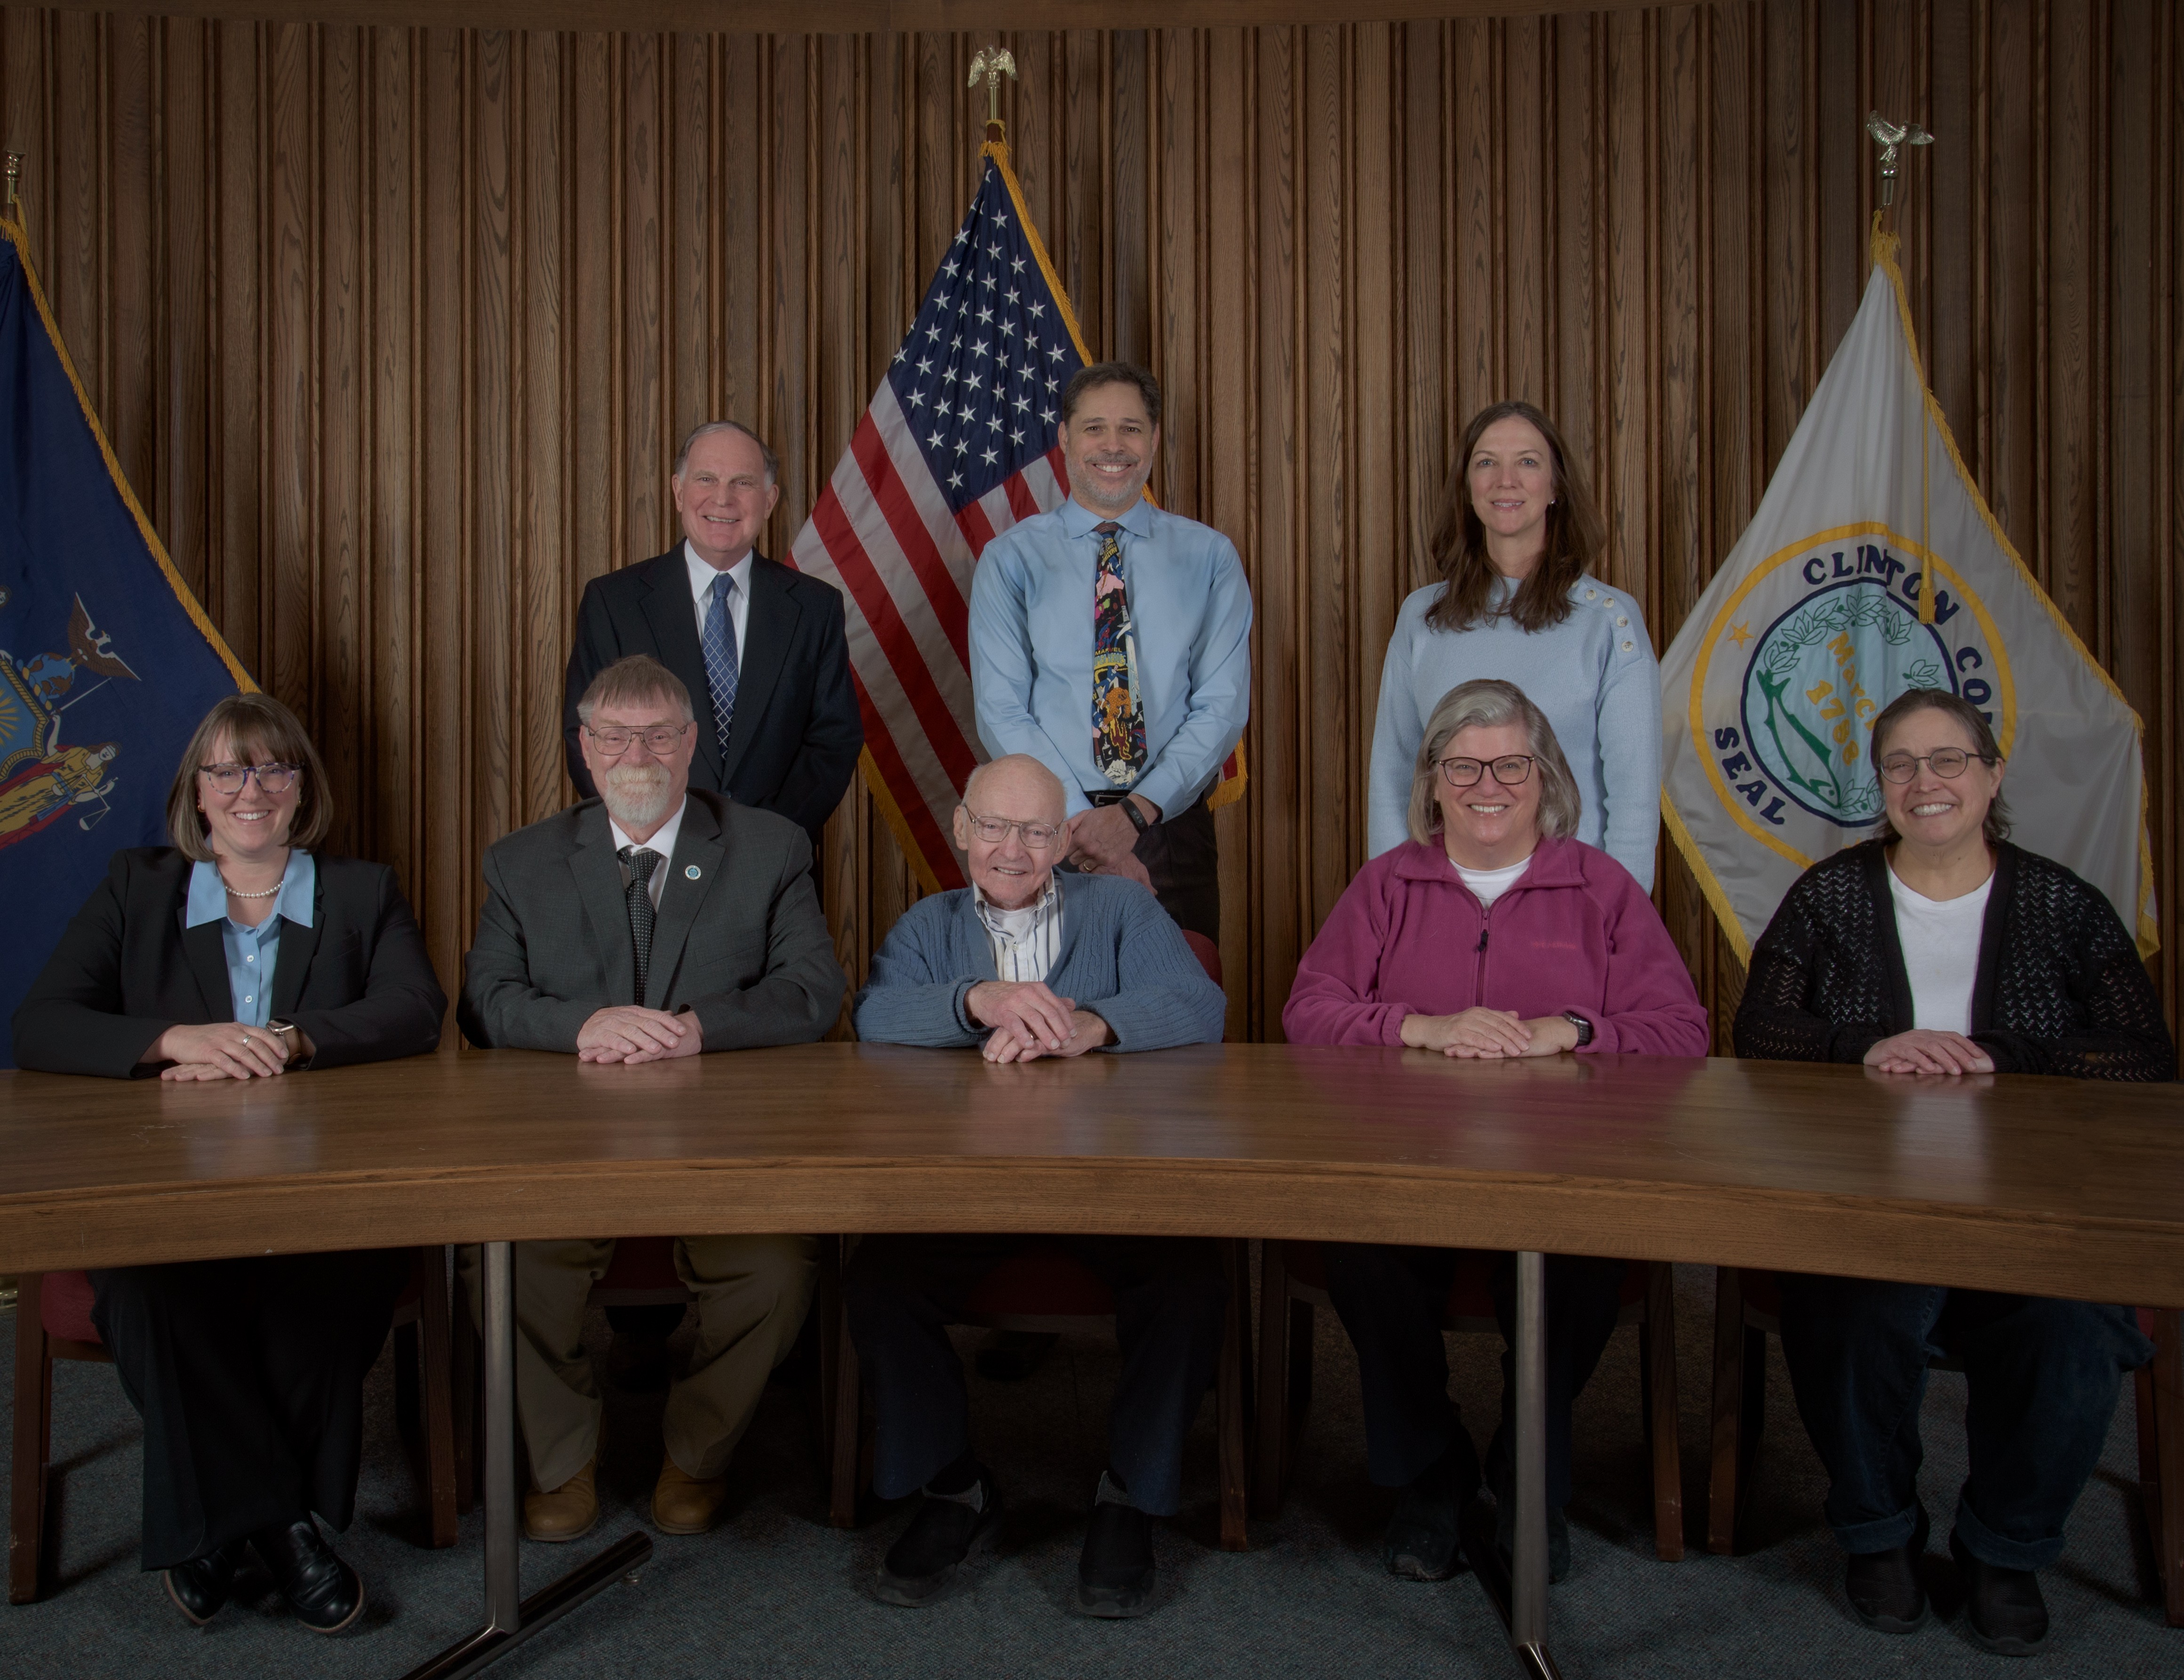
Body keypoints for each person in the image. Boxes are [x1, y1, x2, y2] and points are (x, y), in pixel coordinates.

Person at [1735, 687, 2172, 1655]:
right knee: (1851, 1304)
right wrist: (1867, 1044)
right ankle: (1878, 1532)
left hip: (2031, 1205)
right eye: (1900, 764)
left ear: (1990, 777)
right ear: (1880, 786)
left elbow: (2144, 1054)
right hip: (1870, 1199)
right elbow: (1757, 1029)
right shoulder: (1830, 896)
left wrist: (1996, 1055)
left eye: (1946, 761)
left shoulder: (2062, 904)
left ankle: (2005, 1549)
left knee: (2072, 1319)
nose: (1923, 781)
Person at [11, 692, 446, 1635]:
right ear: (198, 795)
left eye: (274, 768)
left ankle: (214, 1531)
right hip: (169, 1190)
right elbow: (41, 1024)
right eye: (227, 771)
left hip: (321, 1193)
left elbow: (416, 1009)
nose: (252, 789)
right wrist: (171, 1040)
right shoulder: (140, 888)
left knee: (343, 1283)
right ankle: (284, 1528)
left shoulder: (361, 892)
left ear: (302, 789)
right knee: (144, 1289)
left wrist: (291, 1041)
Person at [1285, 678, 1706, 1584]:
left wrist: (1577, 1028)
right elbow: (1308, 1011)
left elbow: (1682, 1032)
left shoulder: (1601, 888)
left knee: (1587, 1264)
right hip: (1407, 1173)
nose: (1489, 785)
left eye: (1511, 764)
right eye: (1464, 765)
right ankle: (1431, 1473)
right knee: (1357, 1253)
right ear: (1433, 780)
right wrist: (1420, 1027)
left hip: (1563, 1179)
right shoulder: (1386, 883)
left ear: (1544, 776)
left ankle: (1528, 1475)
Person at [460, 654, 845, 1544]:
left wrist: (701, 1026)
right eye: (615, 736)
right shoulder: (521, 863)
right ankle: (562, 1461)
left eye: (660, 734)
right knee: (503, 1270)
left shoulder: (770, 845)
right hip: (567, 1147)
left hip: (725, 1147)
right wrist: (584, 1025)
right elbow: (485, 1000)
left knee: (777, 1271)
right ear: (586, 751)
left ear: (691, 745)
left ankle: (696, 1453)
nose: (639, 753)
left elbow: (814, 992)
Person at [843, 753, 1229, 1618]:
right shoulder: (926, 925)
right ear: (960, 830)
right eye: (992, 826)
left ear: (1062, 839)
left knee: (1193, 1286)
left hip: (1109, 1190)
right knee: (876, 1285)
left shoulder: (1124, 909)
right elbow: (874, 1016)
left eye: (1033, 830)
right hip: (968, 1197)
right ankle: (954, 1490)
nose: (1011, 849)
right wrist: (975, 1000)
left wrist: (1098, 1023)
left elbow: (1203, 1008)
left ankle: (1130, 1495)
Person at [968, 361, 1251, 942]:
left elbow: (1221, 707)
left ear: (1152, 440)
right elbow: (1002, 709)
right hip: (1043, 828)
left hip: (1168, 826)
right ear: (1066, 439)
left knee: (1178, 1008)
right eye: (1095, 428)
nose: (1113, 446)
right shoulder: (1011, 560)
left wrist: (1134, 815)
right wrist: (1080, 824)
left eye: (1131, 428)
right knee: (1044, 1016)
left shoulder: (1211, 557)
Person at [1368, 400, 1659, 888]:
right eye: (1487, 463)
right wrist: (1392, 898)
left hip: (1569, 900)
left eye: (1527, 461)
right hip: (1444, 899)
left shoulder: (1609, 622)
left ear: (1556, 486)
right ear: (1467, 487)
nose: (1507, 480)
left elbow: (1634, 796)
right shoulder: (1421, 617)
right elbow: (1393, 776)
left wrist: (1619, 918)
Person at [562, 420, 861, 852]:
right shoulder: (613, 602)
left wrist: (767, 841)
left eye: (743, 483)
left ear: (770, 500)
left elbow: (834, 740)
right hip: (649, 857)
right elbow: (585, 733)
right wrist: (648, 832)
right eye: (706, 479)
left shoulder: (816, 608)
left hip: (773, 860)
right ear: (679, 490)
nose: (723, 499)